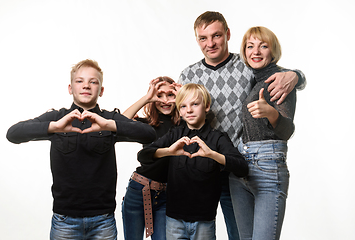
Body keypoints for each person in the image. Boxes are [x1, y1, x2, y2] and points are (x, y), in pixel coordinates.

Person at [178, 11, 306, 240]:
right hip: (204, 169)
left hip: (237, 165)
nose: (210, 43)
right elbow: (181, 114)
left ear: (227, 34)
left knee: (240, 235)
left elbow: (277, 74)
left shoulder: (247, 65)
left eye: (216, 35)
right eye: (203, 38)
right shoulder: (189, 74)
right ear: (197, 40)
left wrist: (296, 75)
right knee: (196, 232)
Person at [6, 59, 156, 240]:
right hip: (64, 220)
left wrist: (109, 125)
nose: (86, 85)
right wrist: (54, 126)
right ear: (70, 88)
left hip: (103, 221)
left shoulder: (109, 120)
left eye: (93, 82)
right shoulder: (57, 118)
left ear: (101, 91)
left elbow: (149, 135)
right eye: (80, 81)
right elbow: (13, 134)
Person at [137, 83, 248, 240]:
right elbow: (143, 155)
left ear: (207, 106)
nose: (189, 110)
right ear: (179, 111)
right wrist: (169, 151)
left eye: (195, 104)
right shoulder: (174, 134)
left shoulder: (218, 138)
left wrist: (212, 155)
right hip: (174, 220)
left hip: (204, 221)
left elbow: (242, 167)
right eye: (183, 106)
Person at [229, 26, 297, 240]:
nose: (256, 51)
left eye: (263, 46)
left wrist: (271, 114)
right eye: (250, 46)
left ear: (273, 51)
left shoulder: (281, 80)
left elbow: (288, 130)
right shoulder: (252, 79)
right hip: (239, 166)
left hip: (267, 166)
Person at [121, 77, 182, 240]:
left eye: (171, 95)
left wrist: (184, 97)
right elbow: (120, 122)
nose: (165, 101)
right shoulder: (147, 125)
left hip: (166, 195)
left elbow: (202, 118)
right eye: (159, 95)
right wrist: (147, 98)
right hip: (139, 190)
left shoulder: (185, 124)